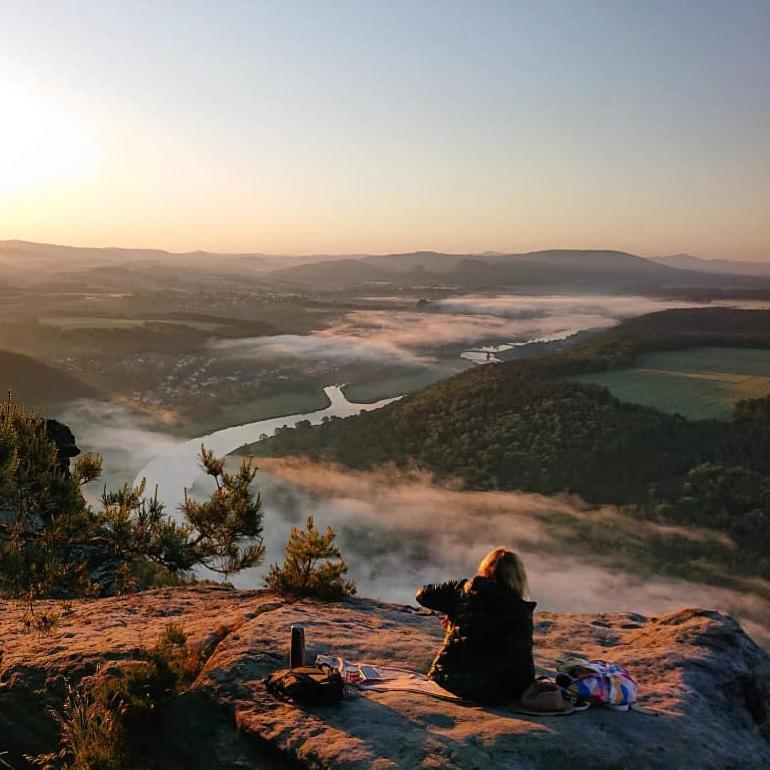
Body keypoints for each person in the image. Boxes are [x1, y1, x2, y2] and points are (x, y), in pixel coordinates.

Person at [415, 547, 536, 704]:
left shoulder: (462, 590)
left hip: (450, 677)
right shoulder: (520, 610)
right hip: (496, 690)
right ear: (518, 577)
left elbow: (422, 594)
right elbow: (522, 662)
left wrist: (453, 609)